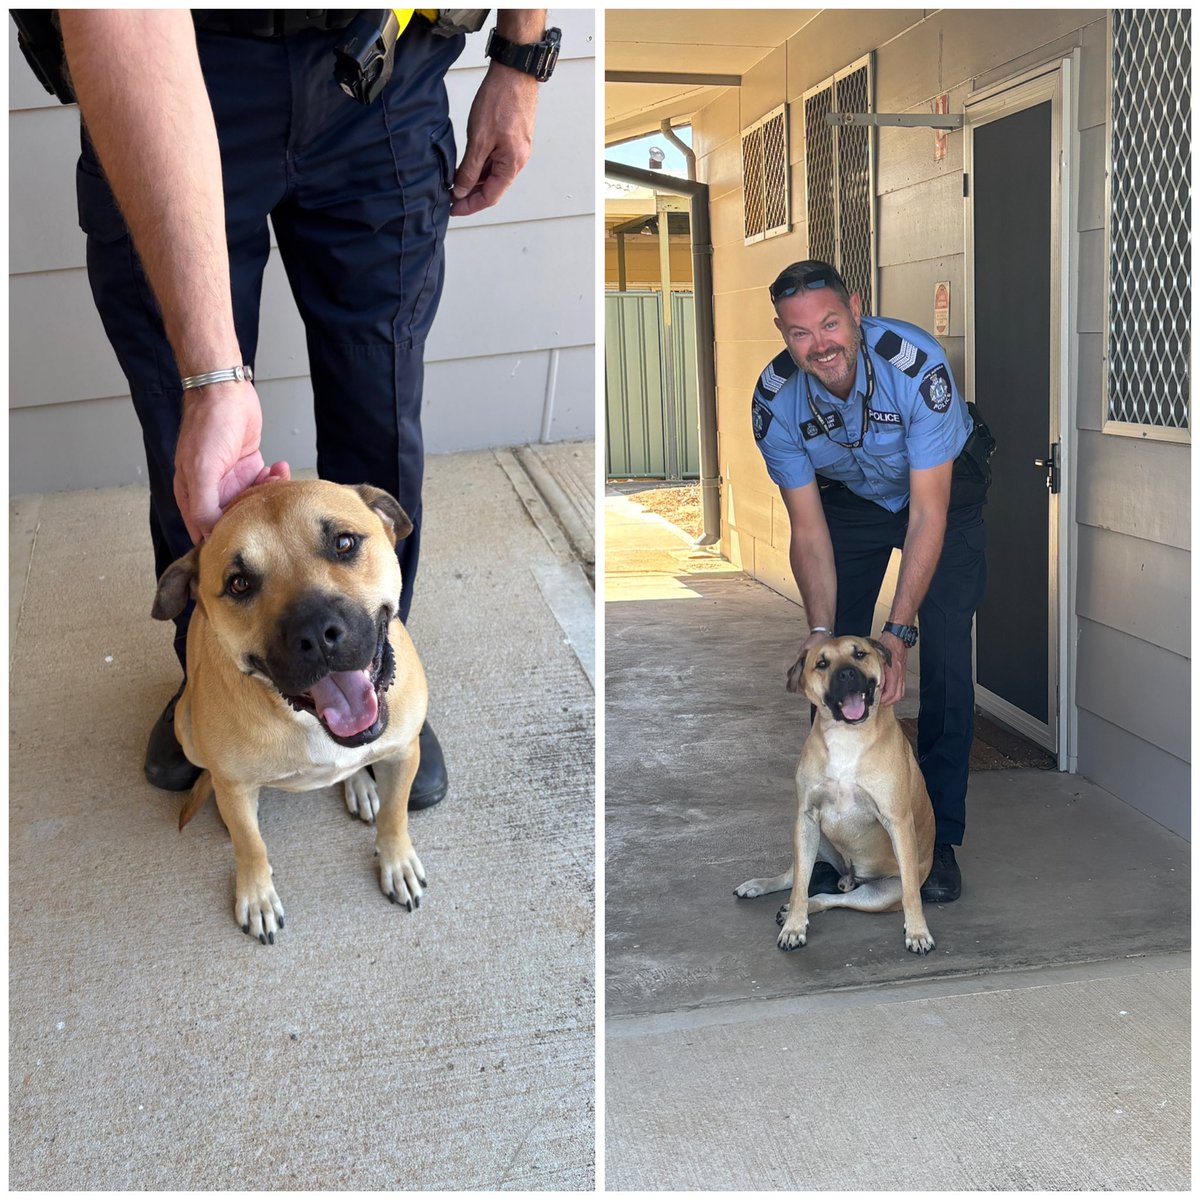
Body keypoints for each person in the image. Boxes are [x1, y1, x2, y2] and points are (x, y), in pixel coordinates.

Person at [57, 8, 559, 805]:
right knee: (189, 431)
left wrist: (521, 56)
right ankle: (212, 685)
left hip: (386, 59)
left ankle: (372, 671)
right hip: (178, 66)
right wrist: (213, 378)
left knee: (380, 401)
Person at [751, 260, 990, 902]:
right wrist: (820, 630)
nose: (820, 344)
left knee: (943, 663)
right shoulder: (774, 402)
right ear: (783, 333)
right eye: (800, 334)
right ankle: (834, 844)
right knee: (828, 665)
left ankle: (936, 845)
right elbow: (808, 530)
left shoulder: (916, 365)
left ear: (856, 309)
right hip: (852, 500)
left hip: (942, 497)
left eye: (830, 323)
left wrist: (898, 631)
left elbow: (928, 513)